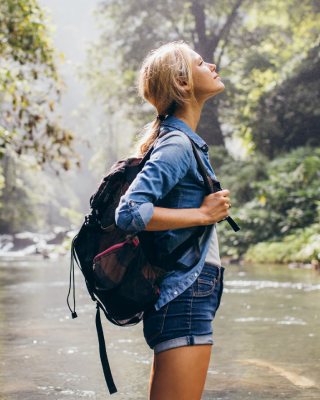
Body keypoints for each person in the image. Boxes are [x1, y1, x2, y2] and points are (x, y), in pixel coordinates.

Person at [114, 41, 231, 400]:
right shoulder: (178, 144)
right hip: (185, 293)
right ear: (182, 82)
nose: (210, 64)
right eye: (200, 62)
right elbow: (129, 212)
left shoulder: (184, 142)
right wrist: (202, 214)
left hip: (190, 293)